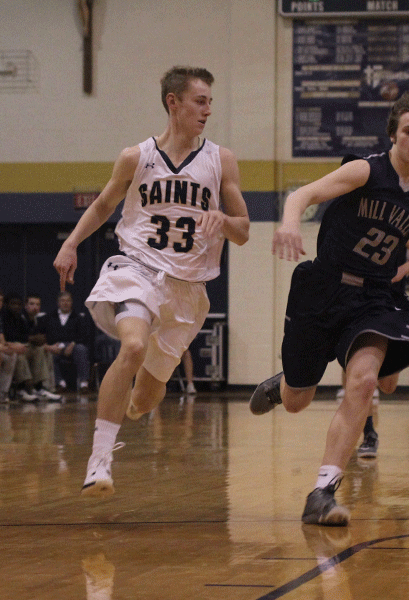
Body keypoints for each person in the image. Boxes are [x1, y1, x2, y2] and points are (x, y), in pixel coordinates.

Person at [247, 91, 409, 526]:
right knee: (299, 399)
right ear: (393, 134)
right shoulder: (365, 170)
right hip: (324, 287)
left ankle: (322, 490)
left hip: (376, 297)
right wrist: (288, 224)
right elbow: (302, 195)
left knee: (365, 381)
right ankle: (285, 385)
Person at [53, 66, 250, 497]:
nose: (208, 110)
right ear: (173, 102)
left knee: (146, 399)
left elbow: (245, 230)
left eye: (210, 102)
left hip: (189, 289)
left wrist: (225, 222)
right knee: (134, 345)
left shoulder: (221, 160)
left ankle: (127, 404)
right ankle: (99, 460)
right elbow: (105, 204)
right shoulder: (135, 157)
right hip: (138, 268)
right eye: (200, 101)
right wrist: (70, 243)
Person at [44, 291, 93, 392]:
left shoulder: (79, 318)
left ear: (72, 303)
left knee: (81, 349)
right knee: (49, 353)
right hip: (56, 346)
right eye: (62, 301)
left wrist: (72, 344)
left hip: (73, 346)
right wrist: (54, 346)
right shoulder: (50, 317)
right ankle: (60, 383)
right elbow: (47, 334)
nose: (65, 303)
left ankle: (84, 383)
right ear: (58, 303)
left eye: (68, 301)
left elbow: (84, 336)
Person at [23, 294, 62, 401]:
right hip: (20, 348)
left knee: (46, 351)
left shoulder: (39, 320)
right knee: (42, 350)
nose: (35, 307)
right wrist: (47, 346)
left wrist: (47, 346)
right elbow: (23, 338)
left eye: (37, 304)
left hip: (31, 348)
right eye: (31, 304)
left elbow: (43, 338)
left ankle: (47, 388)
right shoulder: (21, 318)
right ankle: (37, 387)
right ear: (25, 305)